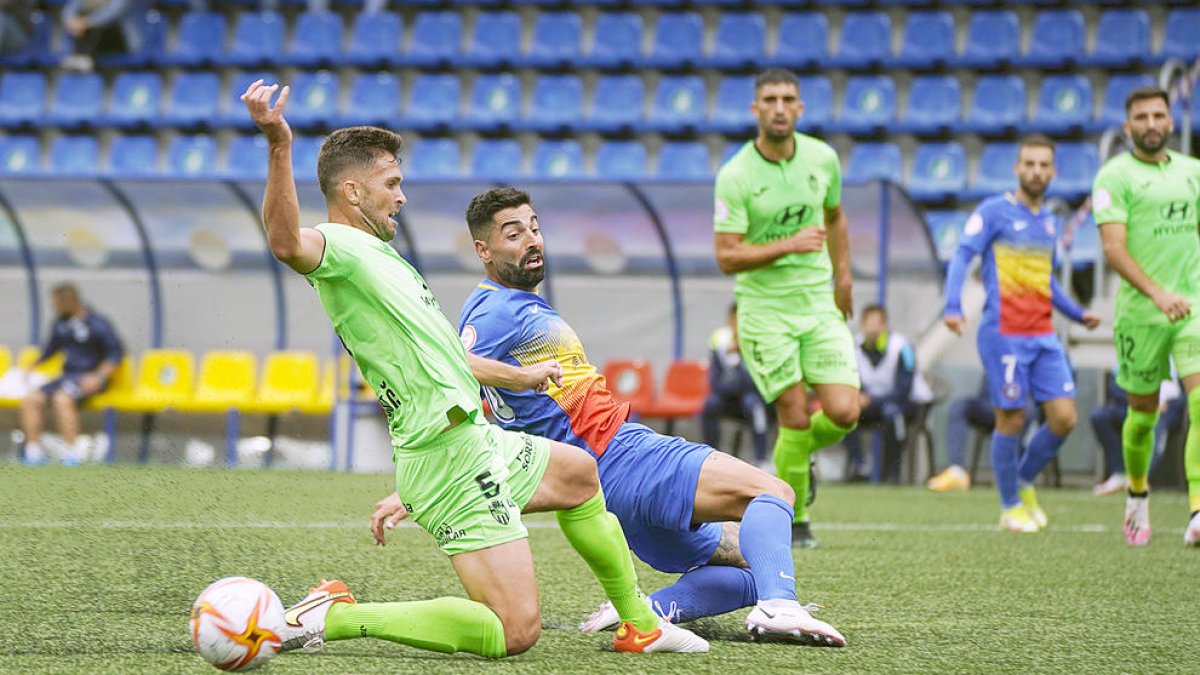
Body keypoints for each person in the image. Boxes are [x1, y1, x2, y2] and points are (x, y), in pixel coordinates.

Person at [240, 80, 706, 659]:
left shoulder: (382, 257)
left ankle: (642, 625)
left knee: (579, 474)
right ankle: (336, 617)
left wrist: (523, 378)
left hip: (474, 439)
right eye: (392, 185)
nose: (402, 197)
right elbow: (286, 242)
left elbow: (447, 357)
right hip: (448, 452)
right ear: (353, 191)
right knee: (513, 631)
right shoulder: (335, 247)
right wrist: (279, 144)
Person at [454, 187, 845, 646]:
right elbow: (450, 364)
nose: (532, 240)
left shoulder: (513, 305)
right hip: (621, 455)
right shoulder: (495, 310)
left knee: (758, 564)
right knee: (774, 492)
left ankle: (651, 610)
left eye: (535, 228)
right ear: (483, 250)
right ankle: (779, 611)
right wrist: (522, 380)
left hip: (604, 484)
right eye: (514, 234)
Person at [713, 68, 861, 549]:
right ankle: (796, 516)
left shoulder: (823, 159)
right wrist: (791, 243)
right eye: (770, 99)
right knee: (794, 414)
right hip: (764, 312)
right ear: (756, 110)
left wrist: (843, 276)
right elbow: (726, 256)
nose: (780, 107)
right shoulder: (736, 175)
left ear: (800, 108)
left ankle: (796, 460)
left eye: (788, 99)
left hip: (818, 304)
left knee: (844, 412)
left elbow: (836, 217)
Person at [943, 134, 1101, 533]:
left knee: (1064, 418)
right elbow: (963, 254)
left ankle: (1024, 480)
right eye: (1028, 164)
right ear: (1017, 168)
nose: (1035, 171)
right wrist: (953, 304)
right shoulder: (994, 211)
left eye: (1043, 165)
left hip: (1044, 335)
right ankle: (1010, 505)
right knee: (1011, 419)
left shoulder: (1048, 221)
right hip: (1004, 333)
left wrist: (1077, 313)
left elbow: (1044, 279)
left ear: (1053, 171)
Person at [1092, 86, 1200, 546]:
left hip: (1192, 309)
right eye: (1142, 117)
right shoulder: (1114, 177)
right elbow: (1113, 249)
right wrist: (1157, 294)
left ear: (1172, 122)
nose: (1152, 123)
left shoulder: (1195, 173)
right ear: (1128, 126)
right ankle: (1137, 492)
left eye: (1159, 115)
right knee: (1142, 414)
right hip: (1140, 315)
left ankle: (1197, 511)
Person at [18, 283, 123, 466]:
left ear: (69, 301)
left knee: (62, 398)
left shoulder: (97, 323)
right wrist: (31, 367)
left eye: (57, 302)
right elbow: (50, 350)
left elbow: (115, 354)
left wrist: (98, 377)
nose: (54, 307)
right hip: (67, 377)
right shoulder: (61, 323)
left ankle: (72, 452)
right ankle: (33, 451)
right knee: (31, 399)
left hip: (90, 378)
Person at [843, 305, 929, 484]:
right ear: (862, 326)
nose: (873, 329)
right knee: (844, 413)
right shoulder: (854, 347)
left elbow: (904, 390)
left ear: (885, 325)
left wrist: (871, 400)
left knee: (892, 413)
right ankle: (859, 466)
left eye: (877, 324)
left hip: (908, 404)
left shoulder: (903, 347)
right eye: (868, 324)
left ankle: (892, 474)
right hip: (872, 405)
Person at [1090, 369, 1184, 496]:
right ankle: (1120, 473)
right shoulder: (1134, 350)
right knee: (1101, 416)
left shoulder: (1178, 356)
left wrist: (1167, 404)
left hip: (1166, 409)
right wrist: (1141, 402)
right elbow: (1115, 384)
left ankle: (1140, 479)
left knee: (1154, 424)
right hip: (1133, 404)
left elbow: (1189, 390)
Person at [702, 302, 771, 466]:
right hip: (728, 395)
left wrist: (742, 355)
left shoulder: (757, 342)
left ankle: (761, 458)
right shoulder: (719, 340)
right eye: (733, 319)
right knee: (710, 404)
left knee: (753, 404)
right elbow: (715, 380)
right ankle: (710, 456)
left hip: (752, 397)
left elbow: (756, 383)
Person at [60, 0, 148, 72]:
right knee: (80, 15)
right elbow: (69, 9)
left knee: (97, 23)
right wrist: (73, 23)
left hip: (120, 42)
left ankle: (86, 56)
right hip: (96, 42)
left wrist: (85, 23)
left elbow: (111, 13)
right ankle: (79, 55)